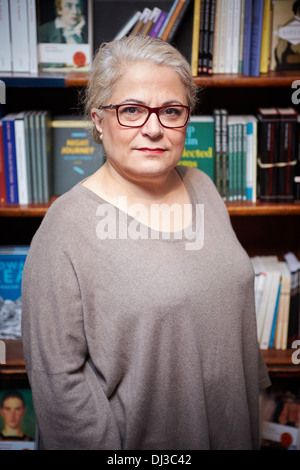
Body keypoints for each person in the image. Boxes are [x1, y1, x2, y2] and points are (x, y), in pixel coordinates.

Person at [21, 35, 270, 450]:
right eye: (132, 110)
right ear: (98, 119)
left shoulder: (203, 187)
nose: (154, 129)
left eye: (171, 111)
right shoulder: (64, 228)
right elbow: (58, 381)